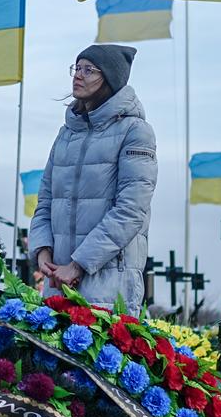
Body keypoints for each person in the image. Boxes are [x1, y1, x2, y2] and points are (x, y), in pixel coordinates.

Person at [29, 43, 158, 309]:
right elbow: (45, 201)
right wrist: (42, 251)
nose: (78, 75)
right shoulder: (66, 134)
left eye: (89, 70)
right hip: (58, 282)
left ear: (109, 78)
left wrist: (78, 266)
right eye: (77, 68)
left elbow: (131, 210)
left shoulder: (135, 131)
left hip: (110, 285)